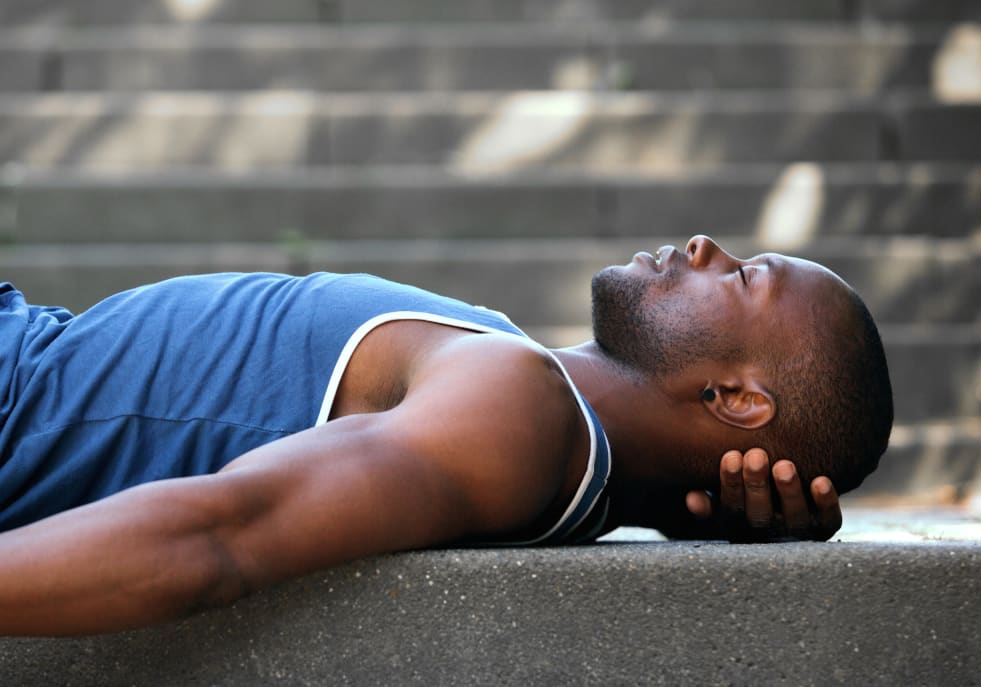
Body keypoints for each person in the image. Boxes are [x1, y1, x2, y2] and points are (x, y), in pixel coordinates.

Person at [0, 235, 892, 636]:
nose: (703, 246)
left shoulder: (516, 415)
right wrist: (690, 508)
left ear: (738, 400)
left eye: (742, 278)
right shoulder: (540, 399)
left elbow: (217, 539)